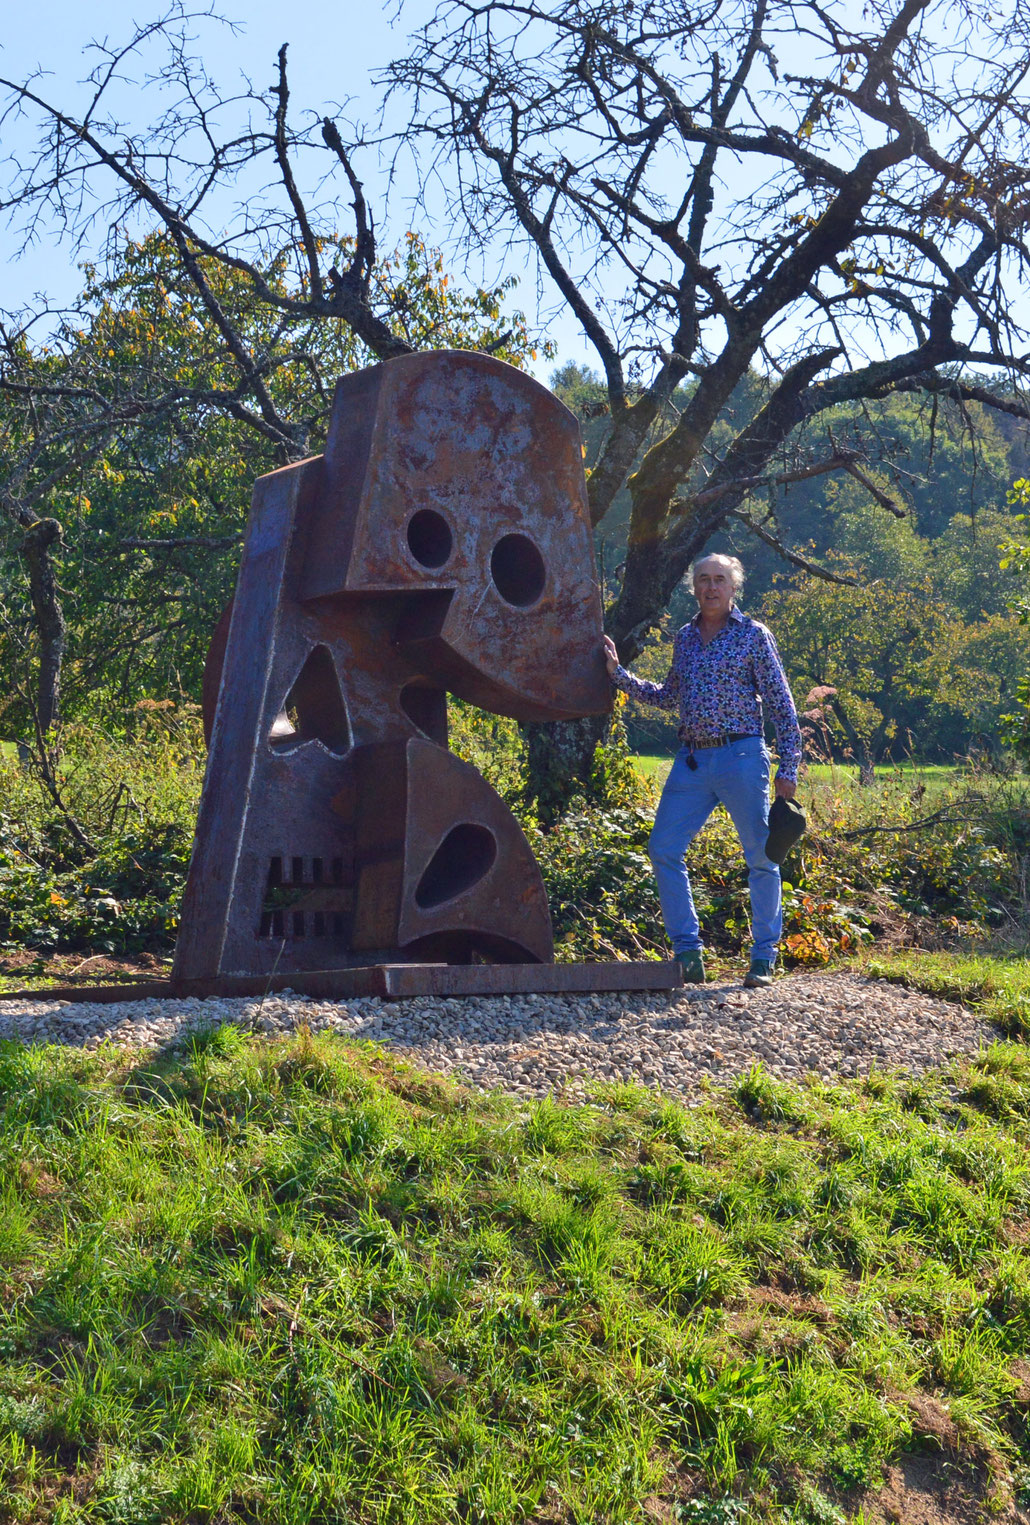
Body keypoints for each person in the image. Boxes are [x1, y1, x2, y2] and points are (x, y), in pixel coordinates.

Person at [603, 554, 801, 988]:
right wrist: (618, 675)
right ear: (693, 588)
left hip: (742, 757)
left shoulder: (754, 636)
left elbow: (784, 709)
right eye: (703, 580)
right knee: (663, 849)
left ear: (734, 588)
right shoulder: (685, 638)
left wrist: (788, 768)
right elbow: (669, 696)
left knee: (762, 858)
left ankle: (764, 958)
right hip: (692, 761)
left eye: (720, 580)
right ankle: (688, 955)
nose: (711, 587)